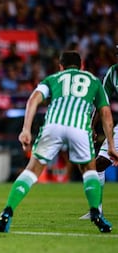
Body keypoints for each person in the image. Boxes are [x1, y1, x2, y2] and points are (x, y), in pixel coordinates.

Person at [0, 51, 118, 233]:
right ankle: (96, 214)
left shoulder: (53, 79)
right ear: (81, 66)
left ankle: (7, 211)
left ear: (60, 66)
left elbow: (33, 100)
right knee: (89, 170)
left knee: (32, 170)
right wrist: (111, 145)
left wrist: (26, 129)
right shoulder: (93, 81)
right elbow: (106, 113)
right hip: (79, 127)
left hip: (53, 125)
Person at [79, 44, 118, 220]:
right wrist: (92, 125)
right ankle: (97, 210)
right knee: (98, 164)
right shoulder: (113, 73)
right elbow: (102, 102)